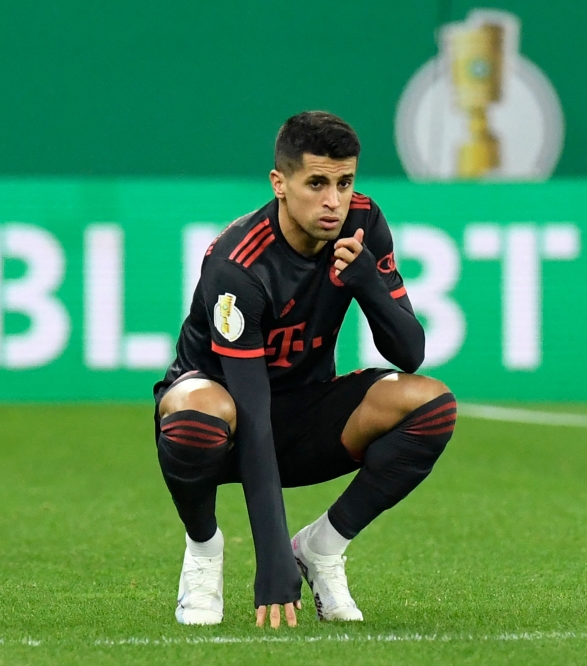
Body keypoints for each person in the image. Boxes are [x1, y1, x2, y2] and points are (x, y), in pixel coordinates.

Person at [153, 111, 457, 628]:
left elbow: (409, 353)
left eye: (344, 182)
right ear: (280, 184)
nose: (333, 201)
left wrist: (366, 282)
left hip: (303, 408)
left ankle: (321, 548)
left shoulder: (364, 223)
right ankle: (203, 552)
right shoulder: (238, 266)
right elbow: (251, 412)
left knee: (430, 404)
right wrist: (271, 560)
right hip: (225, 425)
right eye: (316, 183)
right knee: (195, 414)